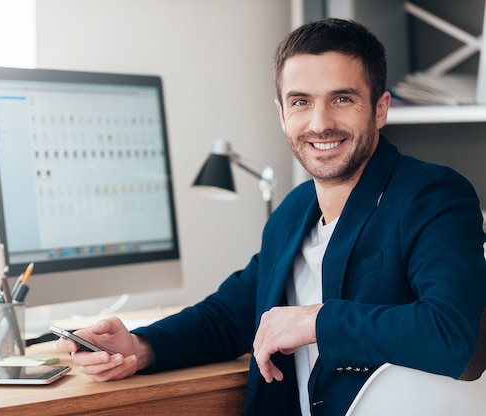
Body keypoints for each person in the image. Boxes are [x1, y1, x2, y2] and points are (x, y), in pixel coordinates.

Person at [57, 18, 486, 415]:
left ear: (380, 108)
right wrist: (139, 346)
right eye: (301, 101)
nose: (320, 123)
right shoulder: (295, 211)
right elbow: (228, 317)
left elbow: (449, 334)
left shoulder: (432, 196)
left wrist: (315, 320)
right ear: (282, 114)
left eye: (342, 98)